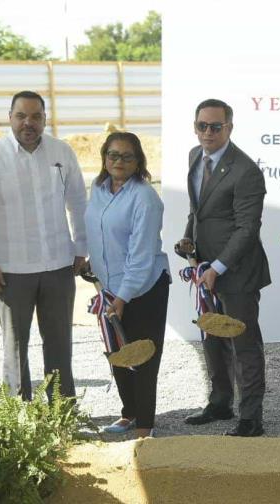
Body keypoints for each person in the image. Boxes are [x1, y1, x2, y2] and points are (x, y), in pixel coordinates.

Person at [0, 91, 87, 401]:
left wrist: (80, 247)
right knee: (14, 348)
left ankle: (61, 412)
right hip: (11, 270)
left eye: (36, 116)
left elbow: (77, 201)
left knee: (60, 344)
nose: (29, 123)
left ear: (45, 119)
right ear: (10, 118)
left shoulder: (62, 152)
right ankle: (19, 418)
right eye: (21, 115)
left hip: (59, 265)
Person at [178, 99, 270, 437]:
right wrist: (188, 241)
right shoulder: (194, 156)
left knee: (244, 343)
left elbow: (248, 228)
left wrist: (217, 266)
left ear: (229, 127)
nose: (207, 132)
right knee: (212, 337)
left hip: (237, 271)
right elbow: (196, 210)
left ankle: (251, 417)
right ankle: (219, 402)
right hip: (205, 268)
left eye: (215, 126)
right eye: (202, 125)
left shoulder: (246, 170)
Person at [84, 131, 170, 438]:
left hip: (143, 288)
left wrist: (122, 297)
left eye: (127, 156)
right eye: (113, 155)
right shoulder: (99, 189)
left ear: (139, 162)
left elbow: (141, 255)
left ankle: (145, 426)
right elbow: (95, 231)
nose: (119, 161)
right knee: (116, 353)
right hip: (109, 288)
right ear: (105, 158)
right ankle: (129, 413)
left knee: (142, 355)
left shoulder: (145, 198)